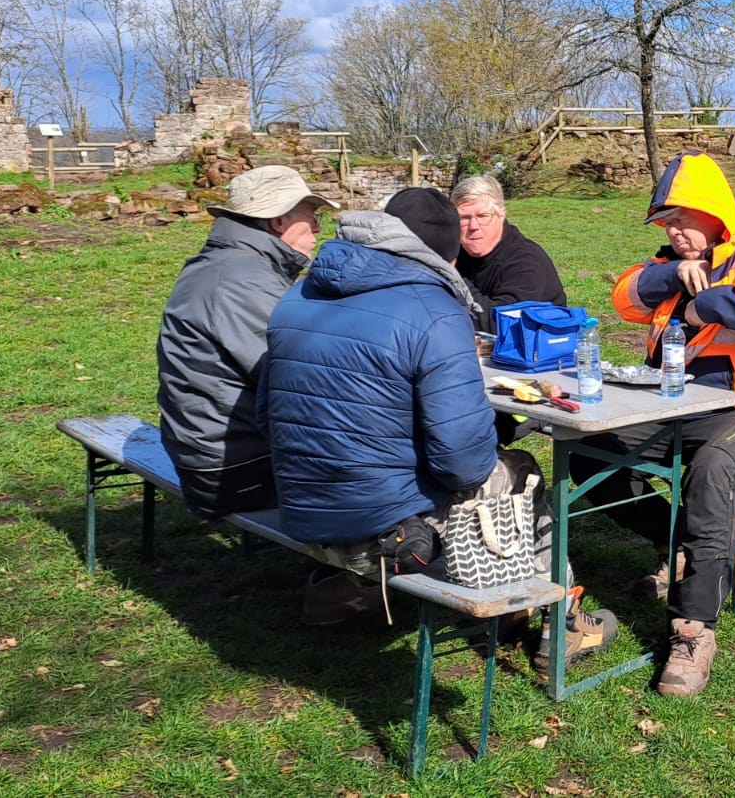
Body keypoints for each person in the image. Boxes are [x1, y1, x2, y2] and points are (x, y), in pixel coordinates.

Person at [257, 187, 617, 670]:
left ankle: (338, 591)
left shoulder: (298, 295)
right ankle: (563, 621)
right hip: (383, 531)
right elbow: (463, 463)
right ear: (446, 255)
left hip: (300, 505)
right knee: (520, 471)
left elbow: (266, 413)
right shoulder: (433, 310)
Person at [571, 151, 735, 697]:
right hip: (674, 411)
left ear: (714, 213)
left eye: (681, 220)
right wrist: (670, 274)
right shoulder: (666, 265)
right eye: (666, 224)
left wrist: (709, 303)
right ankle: (680, 544)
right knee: (589, 453)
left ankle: (693, 630)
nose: (673, 232)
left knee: (712, 471)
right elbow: (624, 297)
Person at [156, 164, 336, 520]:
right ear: (279, 221)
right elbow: (298, 378)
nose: (318, 228)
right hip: (232, 469)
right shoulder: (244, 281)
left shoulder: (228, 265)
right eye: (312, 217)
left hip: (212, 451)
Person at [451, 174, 567, 333]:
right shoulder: (455, 253)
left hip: (532, 346)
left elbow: (501, 326)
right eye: (464, 218)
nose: (473, 226)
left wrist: (452, 278)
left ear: (501, 214)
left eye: (483, 216)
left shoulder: (526, 261)